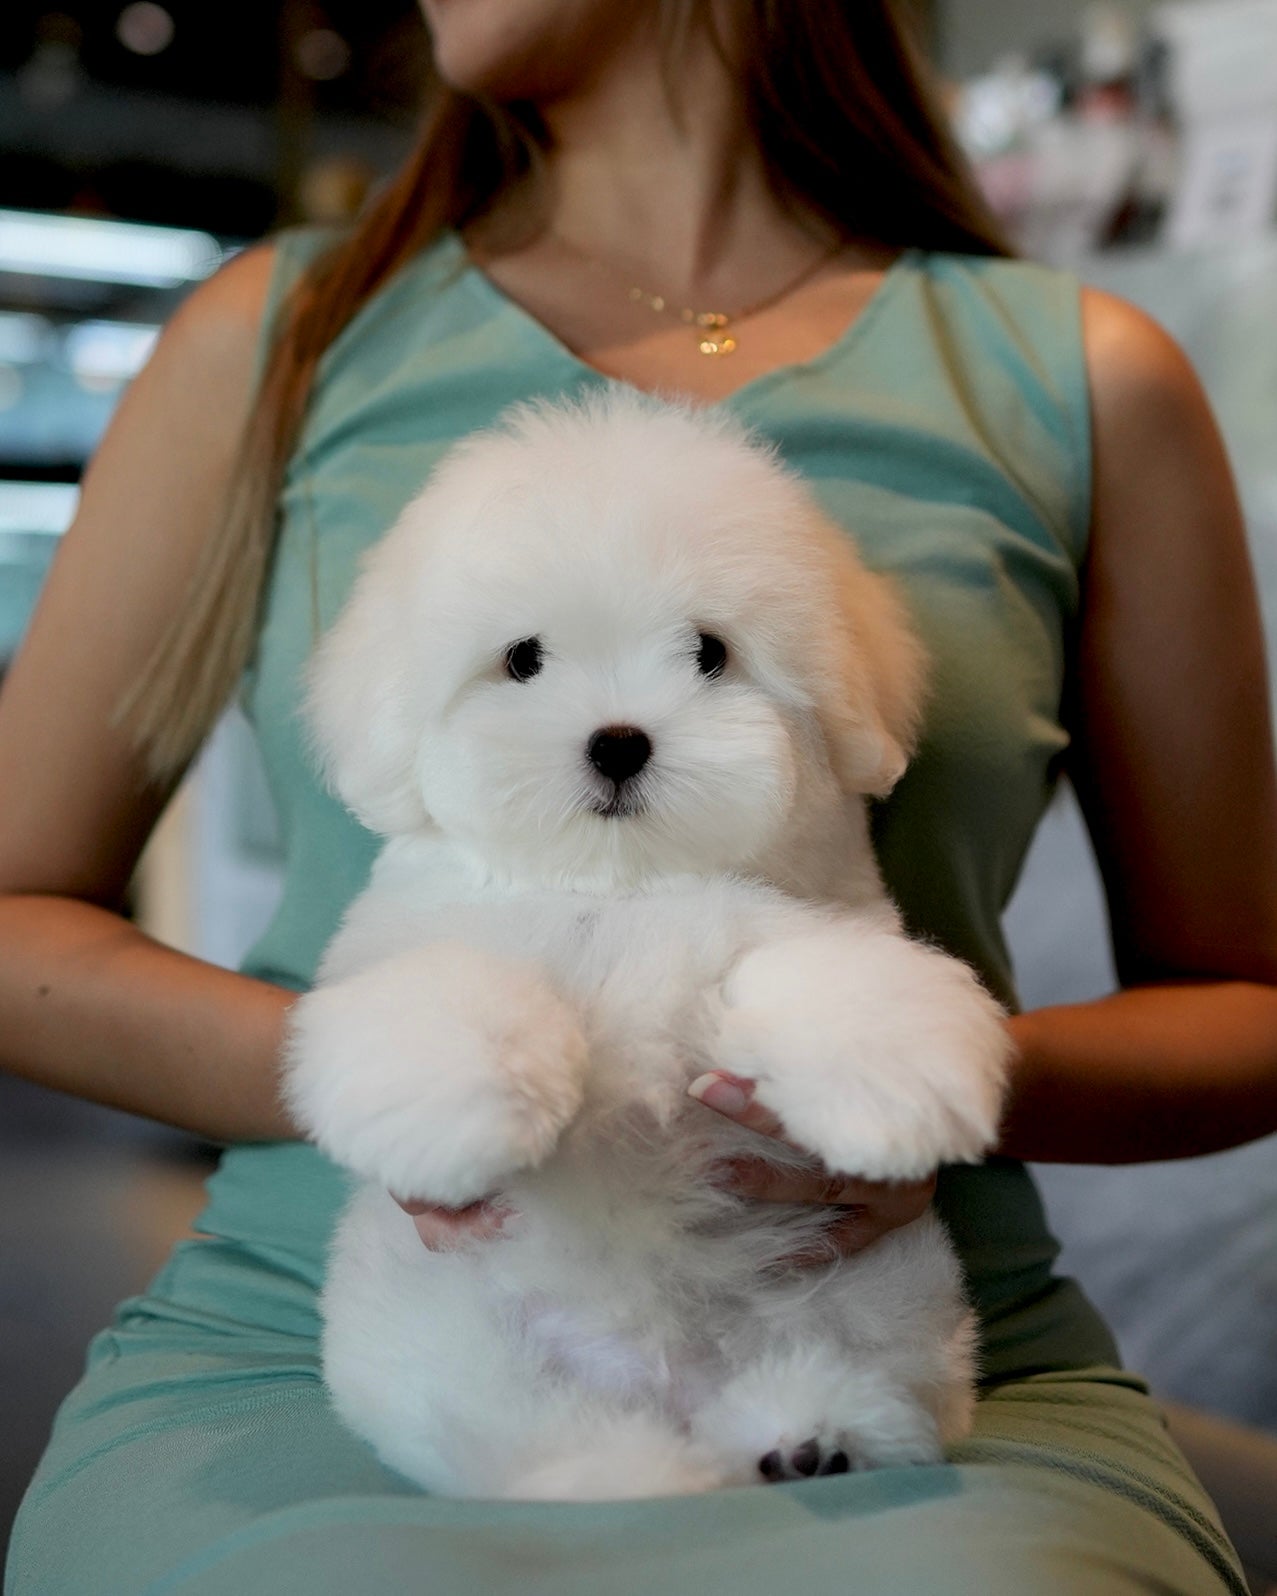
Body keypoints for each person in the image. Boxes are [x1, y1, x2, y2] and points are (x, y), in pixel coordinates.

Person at [3, 1, 1276, 1591]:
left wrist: (930, 1078)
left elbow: (1246, 1000)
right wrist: (395, 1081)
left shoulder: (1085, 379)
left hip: (908, 1348)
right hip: (335, 1322)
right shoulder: (279, 335)